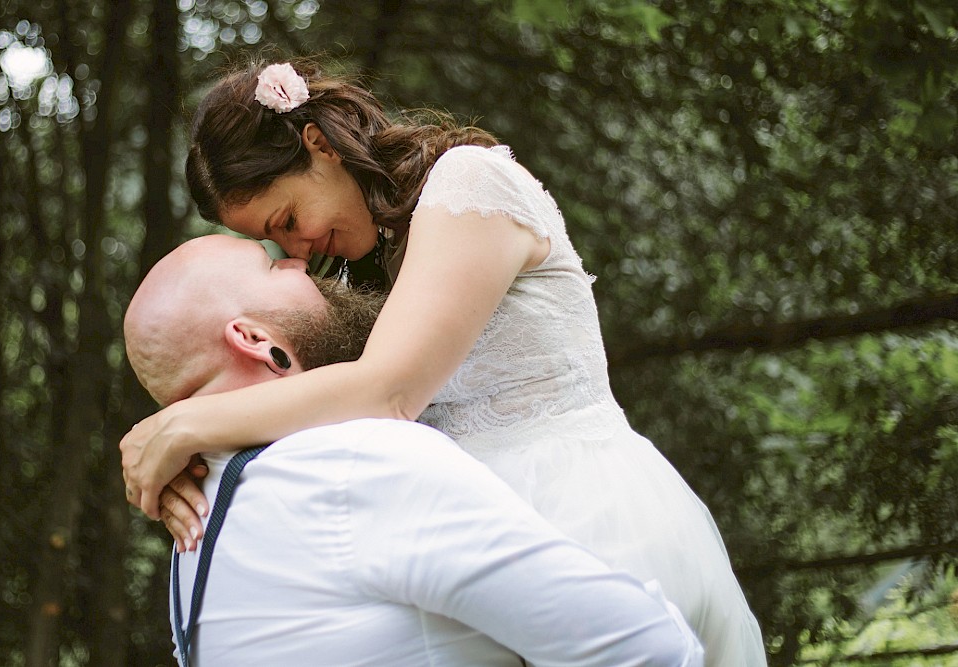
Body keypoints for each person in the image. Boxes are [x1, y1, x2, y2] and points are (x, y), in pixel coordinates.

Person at [120, 58, 766, 666]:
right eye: (275, 239)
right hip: (466, 545)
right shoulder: (361, 262)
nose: (298, 246)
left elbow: (388, 391)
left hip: (585, 513)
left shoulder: (468, 183)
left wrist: (184, 426)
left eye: (288, 216)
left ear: (318, 143)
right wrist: (191, 466)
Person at [124, 234, 703, 666]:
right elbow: (645, 648)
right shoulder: (355, 462)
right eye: (276, 265)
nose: (300, 259)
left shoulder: (190, 550)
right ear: (254, 339)